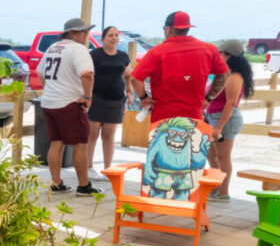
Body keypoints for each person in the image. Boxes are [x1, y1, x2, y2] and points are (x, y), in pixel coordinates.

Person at [129, 11, 228, 123]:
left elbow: (135, 78)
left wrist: (144, 98)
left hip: (163, 120)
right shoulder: (209, 49)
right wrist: (208, 98)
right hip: (194, 119)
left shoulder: (157, 52)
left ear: (168, 29)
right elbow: (224, 74)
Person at [37, 17, 96, 195]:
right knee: (80, 144)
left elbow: (40, 72)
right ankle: (84, 186)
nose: (87, 34)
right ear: (71, 33)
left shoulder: (52, 48)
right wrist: (87, 97)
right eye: (83, 31)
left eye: (87, 31)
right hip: (69, 102)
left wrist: (51, 89)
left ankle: (56, 183)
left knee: (56, 142)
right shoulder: (78, 49)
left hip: (49, 102)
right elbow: (87, 75)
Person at [203, 39, 254, 201]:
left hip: (225, 119)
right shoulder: (224, 74)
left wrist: (219, 127)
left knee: (222, 157)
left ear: (227, 56)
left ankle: (223, 192)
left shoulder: (234, 77)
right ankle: (216, 186)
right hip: (212, 116)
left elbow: (230, 103)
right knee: (211, 156)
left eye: (219, 54)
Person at [86, 25, 132, 179]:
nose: (114, 38)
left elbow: (127, 76)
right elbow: (87, 75)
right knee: (92, 134)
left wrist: (130, 92)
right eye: (110, 35)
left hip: (116, 99)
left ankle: (107, 168)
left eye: (116, 35)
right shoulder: (94, 55)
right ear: (103, 39)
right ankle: (88, 167)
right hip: (96, 98)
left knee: (109, 136)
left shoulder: (123, 56)